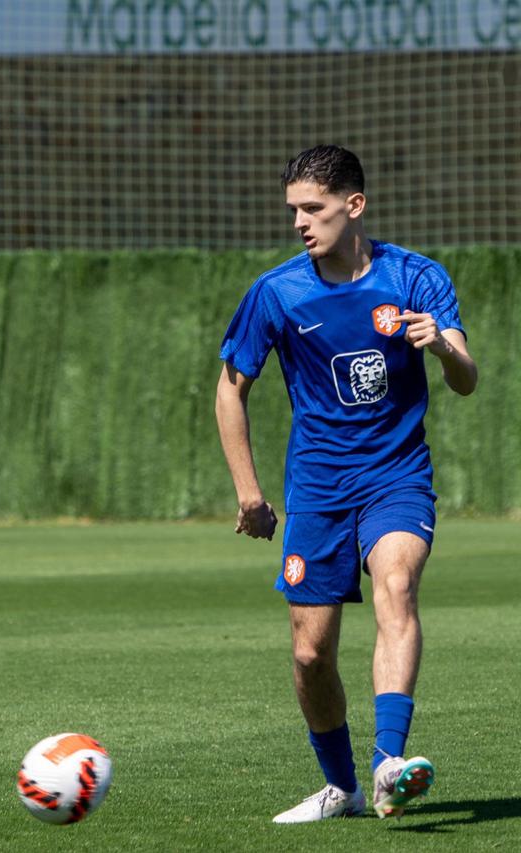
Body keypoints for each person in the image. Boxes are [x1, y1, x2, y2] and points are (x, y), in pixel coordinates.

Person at [215, 145, 477, 823]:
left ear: (353, 205)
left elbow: (467, 376)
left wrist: (444, 346)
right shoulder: (277, 291)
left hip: (396, 475)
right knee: (309, 653)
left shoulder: (416, 277)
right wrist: (249, 490)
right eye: (294, 210)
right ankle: (344, 787)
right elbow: (230, 389)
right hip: (318, 488)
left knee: (396, 584)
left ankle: (389, 763)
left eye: (314, 208)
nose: (301, 221)